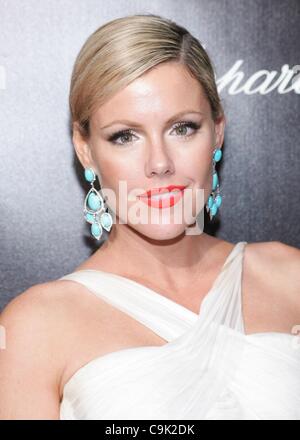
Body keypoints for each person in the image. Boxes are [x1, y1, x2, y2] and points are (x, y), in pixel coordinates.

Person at [0, 13, 299, 420]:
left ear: (218, 131)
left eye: (182, 128)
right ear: (85, 149)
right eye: (125, 136)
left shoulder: (289, 277)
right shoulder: (33, 327)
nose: (159, 163)